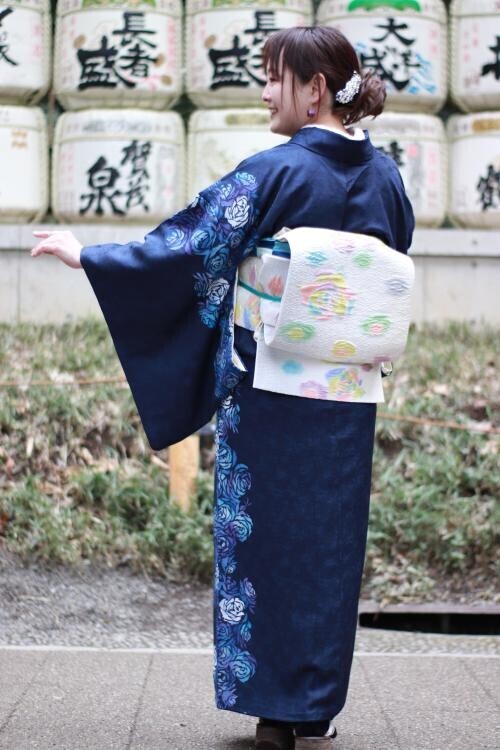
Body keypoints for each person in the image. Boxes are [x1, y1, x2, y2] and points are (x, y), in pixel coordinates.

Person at [32, 26, 414, 750]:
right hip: (347, 394)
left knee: (267, 541)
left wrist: (92, 258)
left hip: (270, 393)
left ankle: (273, 710)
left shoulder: (275, 172)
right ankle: (314, 705)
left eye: (274, 78)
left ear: (315, 89)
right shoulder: (387, 176)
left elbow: (189, 246)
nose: (265, 93)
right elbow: (392, 263)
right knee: (330, 548)